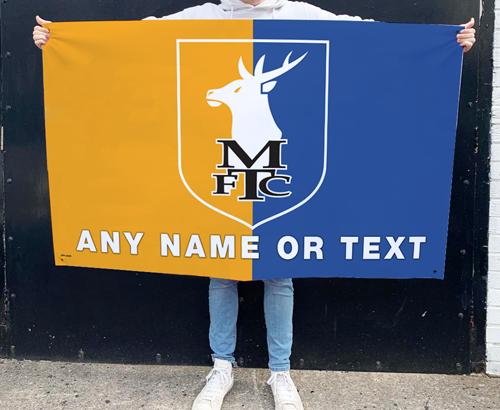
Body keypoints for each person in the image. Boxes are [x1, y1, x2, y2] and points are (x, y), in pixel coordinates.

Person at [32, 1, 476, 409]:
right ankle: (221, 367)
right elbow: (140, 37)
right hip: (218, 166)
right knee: (219, 267)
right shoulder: (206, 16)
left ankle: (280, 373)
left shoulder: (298, 15)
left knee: (279, 271)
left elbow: (366, 35)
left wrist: (445, 41)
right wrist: (62, 40)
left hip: (281, 168)